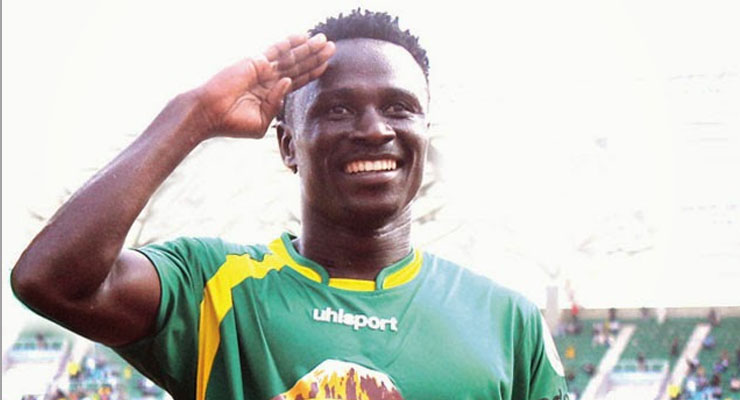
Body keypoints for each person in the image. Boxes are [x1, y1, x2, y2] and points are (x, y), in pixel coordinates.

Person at [11, 9, 569, 400]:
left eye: (399, 108)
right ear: (287, 146)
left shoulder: (507, 322)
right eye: (337, 110)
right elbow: (51, 282)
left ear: (425, 132)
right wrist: (195, 114)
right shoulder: (214, 286)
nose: (375, 130)